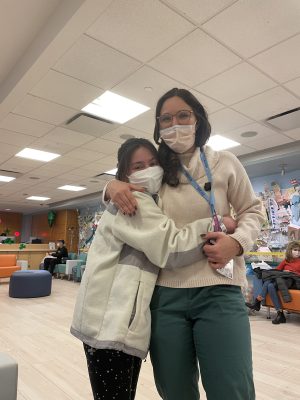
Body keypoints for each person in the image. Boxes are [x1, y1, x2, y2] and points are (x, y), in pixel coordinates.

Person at [104, 88, 265, 400]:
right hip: (165, 296)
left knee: (232, 389)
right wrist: (109, 186)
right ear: (158, 127)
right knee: (174, 390)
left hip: (220, 289)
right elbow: (123, 190)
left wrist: (236, 242)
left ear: (198, 119)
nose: (174, 124)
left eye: (183, 116)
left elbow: (253, 211)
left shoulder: (225, 162)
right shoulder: (156, 172)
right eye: (165, 119)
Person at [71, 138, 237, 400]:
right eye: (138, 166)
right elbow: (170, 247)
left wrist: (109, 188)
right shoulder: (133, 201)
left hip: (114, 321)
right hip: (110, 324)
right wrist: (220, 223)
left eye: (152, 163)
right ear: (125, 175)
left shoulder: (149, 200)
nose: (148, 170)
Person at [246, 240, 300, 324]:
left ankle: (257, 301)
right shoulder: (286, 261)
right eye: (295, 250)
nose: (297, 252)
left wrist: (290, 272)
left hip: (293, 281)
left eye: (299, 250)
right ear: (290, 250)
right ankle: (280, 313)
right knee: (270, 284)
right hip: (282, 281)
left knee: (271, 281)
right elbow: (276, 271)